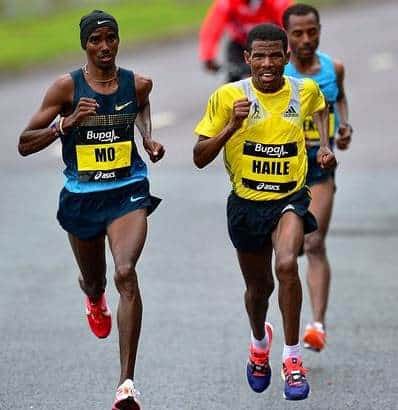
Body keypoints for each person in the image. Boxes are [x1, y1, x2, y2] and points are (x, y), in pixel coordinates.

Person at [18, 10, 165, 410]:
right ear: (85, 44)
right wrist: (64, 125)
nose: (104, 46)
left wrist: (148, 140)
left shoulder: (138, 83)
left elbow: (142, 105)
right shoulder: (66, 87)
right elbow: (24, 143)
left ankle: (126, 384)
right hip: (82, 197)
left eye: (111, 38)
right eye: (95, 40)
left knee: (126, 273)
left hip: (128, 191)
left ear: (118, 40)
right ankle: (93, 296)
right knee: (97, 280)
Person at [194, 23, 336, 401]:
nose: (268, 63)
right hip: (245, 204)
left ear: (287, 58)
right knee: (259, 290)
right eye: (260, 56)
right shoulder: (227, 97)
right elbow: (199, 156)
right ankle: (260, 342)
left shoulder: (303, 90)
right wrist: (230, 126)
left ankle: (292, 360)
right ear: (247, 59)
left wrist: (323, 145)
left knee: (287, 264)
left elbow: (321, 108)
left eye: (276, 55)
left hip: (289, 199)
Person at [283, 3, 352, 353]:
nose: (306, 39)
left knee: (314, 242)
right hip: (283, 167)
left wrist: (344, 127)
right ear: (287, 36)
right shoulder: (276, 70)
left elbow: (339, 101)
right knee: (287, 252)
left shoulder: (332, 68)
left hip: (320, 165)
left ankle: (317, 325)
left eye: (312, 31)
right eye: (298, 33)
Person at [199, 0, 293, 82]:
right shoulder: (227, 2)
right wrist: (208, 57)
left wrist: (289, 52)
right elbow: (212, 28)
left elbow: (290, 27)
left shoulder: (277, 2)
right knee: (233, 79)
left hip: (270, 47)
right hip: (240, 45)